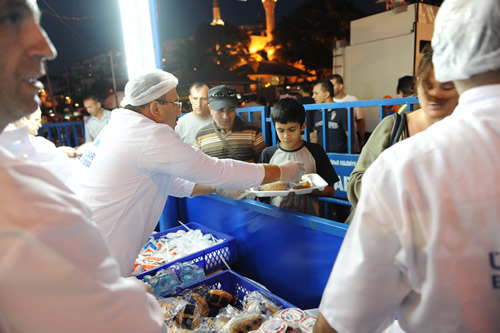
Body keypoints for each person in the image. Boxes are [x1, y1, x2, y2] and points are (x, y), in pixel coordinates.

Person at [314, 0, 500, 331]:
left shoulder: (408, 167)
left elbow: (344, 320)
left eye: (443, 85)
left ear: (450, 60)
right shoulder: (399, 145)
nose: (435, 94)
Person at [0, 1, 166, 332]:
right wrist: (133, 299)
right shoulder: (16, 191)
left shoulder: (21, 161)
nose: (47, 47)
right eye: (11, 18)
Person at [71, 71, 304, 276]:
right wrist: (282, 171)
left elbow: (172, 183)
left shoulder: (121, 127)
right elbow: (217, 170)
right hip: (99, 256)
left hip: (82, 244)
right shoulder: (150, 135)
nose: (180, 112)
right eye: (176, 104)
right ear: (155, 108)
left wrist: (215, 187)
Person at [347, 45, 458, 208]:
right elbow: (356, 185)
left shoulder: (470, 134)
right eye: (428, 85)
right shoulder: (393, 127)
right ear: (418, 85)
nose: (435, 94)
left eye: (446, 86)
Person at [260, 98, 339, 216]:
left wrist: (310, 188)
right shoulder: (268, 154)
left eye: (292, 130)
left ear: (303, 126)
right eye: (280, 130)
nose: (286, 136)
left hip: (310, 220)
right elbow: (261, 189)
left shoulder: (315, 151)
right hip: (276, 218)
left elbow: (330, 190)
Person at [194, 85, 266, 162]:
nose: (226, 116)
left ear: (235, 108)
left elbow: (263, 166)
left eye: (230, 109)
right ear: (210, 109)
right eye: (220, 110)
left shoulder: (254, 132)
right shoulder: (200, 136)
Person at [310, 80, 349, 153]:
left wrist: (350, 158)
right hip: (321, 156)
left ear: (326, 94)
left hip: (339, 158)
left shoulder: (342, 111)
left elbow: (350, 136)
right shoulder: (317, 113)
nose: (313, 96)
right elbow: (315, 136)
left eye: (316, 93)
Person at [329, 74, 366, 150]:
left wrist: (362, 140)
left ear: (340, 86)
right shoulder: (329, 102)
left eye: (333, 85)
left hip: (351, 139)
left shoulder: (352, 99)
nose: (330, 89)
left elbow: (360, 120)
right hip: (334, 141)